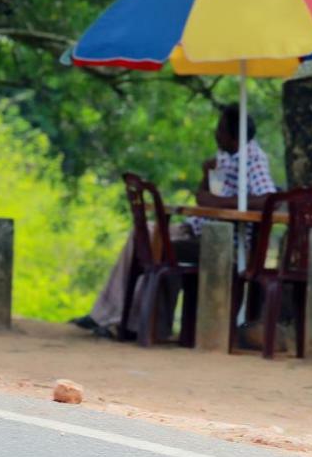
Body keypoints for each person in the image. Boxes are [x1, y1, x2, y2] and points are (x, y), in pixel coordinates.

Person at [71, 104, 277, 340]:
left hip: (223, 242)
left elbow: (268, 199)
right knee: (143, 234)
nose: (215, 134)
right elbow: (203, 198)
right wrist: (205, 177)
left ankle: (130, 323)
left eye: (220, 129)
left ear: (233, 138)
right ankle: (109, 314)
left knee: (158, 245)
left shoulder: (253, 159)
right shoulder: (225, 157)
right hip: (196, 229)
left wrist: (221, 202)